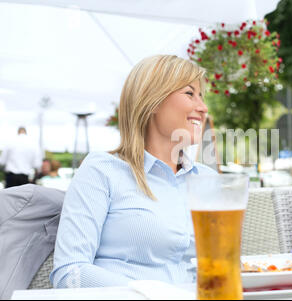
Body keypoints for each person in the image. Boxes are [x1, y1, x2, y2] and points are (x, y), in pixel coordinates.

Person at [50, 55, 215, 288]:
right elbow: (70, 272)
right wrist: (149, 293)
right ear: (153, 100)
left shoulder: (209, 180)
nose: (203, 107)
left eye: (201, 96)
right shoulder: (102, 171)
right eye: (190, 93)